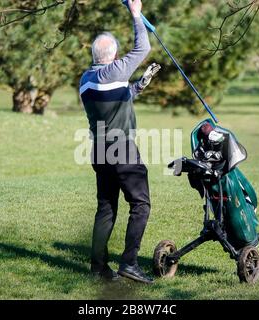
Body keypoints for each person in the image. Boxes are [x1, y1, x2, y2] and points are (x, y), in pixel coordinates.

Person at [79, 0, 160, 284]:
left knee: (106, 208)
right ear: (113, 56)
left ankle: (99, 268)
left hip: (99, 151)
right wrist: (136, 13)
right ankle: (129, 263)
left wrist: (138, 85)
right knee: (141, 204)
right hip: (122, 149)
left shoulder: (86, 80)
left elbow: (115, 99)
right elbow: (143, 48)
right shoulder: (113, 72)